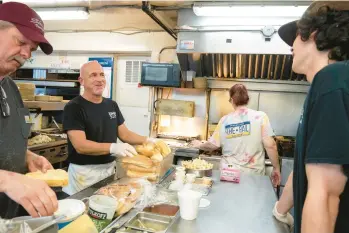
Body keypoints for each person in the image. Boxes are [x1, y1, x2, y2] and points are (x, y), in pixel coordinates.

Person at [275, 1, 349, 233]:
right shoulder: (330, 84)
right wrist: (280, 210)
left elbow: (326, 192)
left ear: (313, 35)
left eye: (295, 38)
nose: (291, 47)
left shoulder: (332, 79)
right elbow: (306, 169)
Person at [0, 2, 58, 218]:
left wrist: (25, 156)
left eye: (31, 49)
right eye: (21, 41)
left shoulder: (10, 87)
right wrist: (6, 180)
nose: (26, 54)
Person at [63, 61, 154, 195]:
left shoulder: (111, 105)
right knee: (84, 210)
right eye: (93, 75)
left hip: (109, 170)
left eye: (102, 75)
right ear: (81, 81)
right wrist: (113, 147)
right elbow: (80, 145)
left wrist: (149, 140)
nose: (99, 80)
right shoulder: (74, 107)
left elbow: (125, 135)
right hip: (84, 173)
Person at [192, 84, 281, 186]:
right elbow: (270, 145)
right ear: (247, 99)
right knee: (250, 201)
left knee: (228, 199)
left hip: (229, 173)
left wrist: (199, 144)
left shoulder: (224, 120)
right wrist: (276, 168)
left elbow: (213, 145)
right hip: (253, 174)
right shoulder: (260, 117)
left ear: (232, 100)